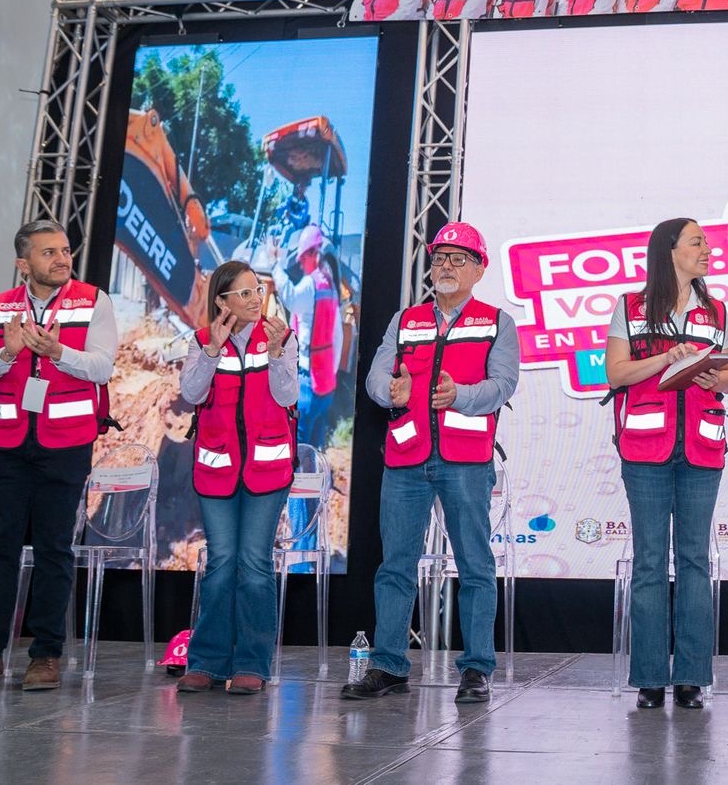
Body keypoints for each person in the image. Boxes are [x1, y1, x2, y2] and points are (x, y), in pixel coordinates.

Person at [342, 222, 519, 702]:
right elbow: (376, 377)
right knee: (395, 566)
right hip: (406, 457)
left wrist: (461, 395)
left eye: (459, 258)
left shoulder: (498, 322)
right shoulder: (405, 320)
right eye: (440, 257)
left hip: (466, 461)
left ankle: (477, 668)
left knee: (474, 565)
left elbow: (503, 384)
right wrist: (389, 391)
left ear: (479, 270)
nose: (446, 265)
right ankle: (388, 665)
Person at [0, 220, 116, 694]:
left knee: (54, 548)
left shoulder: (94, 301)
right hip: (5, 445)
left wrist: (59, 351)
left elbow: (103, 366)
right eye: (49, 252)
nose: (62, 259)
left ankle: (45, 655)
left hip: (67, 444)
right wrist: (6, 353)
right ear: (24, 263)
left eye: (65, 250)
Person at [604, 218, 728, 710]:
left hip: (702, 447)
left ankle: (692, 678)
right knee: (650, 562)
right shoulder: (630, 307)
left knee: (695, 561)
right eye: (697, 242)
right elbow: (615, 373)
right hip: (645, 449)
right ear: (670, 250)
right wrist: (664, 360)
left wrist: (713, 379)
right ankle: (650, 677)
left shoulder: (716, 310)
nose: (707, 249)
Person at [174, 262, 296, 695]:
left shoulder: (281, 336)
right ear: (221, 301)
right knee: (222, 562)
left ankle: (251, 664)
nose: (254, 299)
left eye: (256, 290)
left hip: (268, 468)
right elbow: (191, 393)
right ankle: (207, 662)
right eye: (243, 293)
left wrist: (277, 354)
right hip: (217, 470)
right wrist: (212, 351)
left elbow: (287, 395)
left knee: (255, 563)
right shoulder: (201, 341)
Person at [275, 224, 340, 450]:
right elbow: (337, 338)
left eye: (302, 258)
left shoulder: (311, 284)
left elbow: (290, 297)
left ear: (313, 254)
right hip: (326, 385)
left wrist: (275, 265)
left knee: (298, 447)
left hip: (308, 383)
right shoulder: (331, 287)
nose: (301, 264)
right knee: (315, 450)